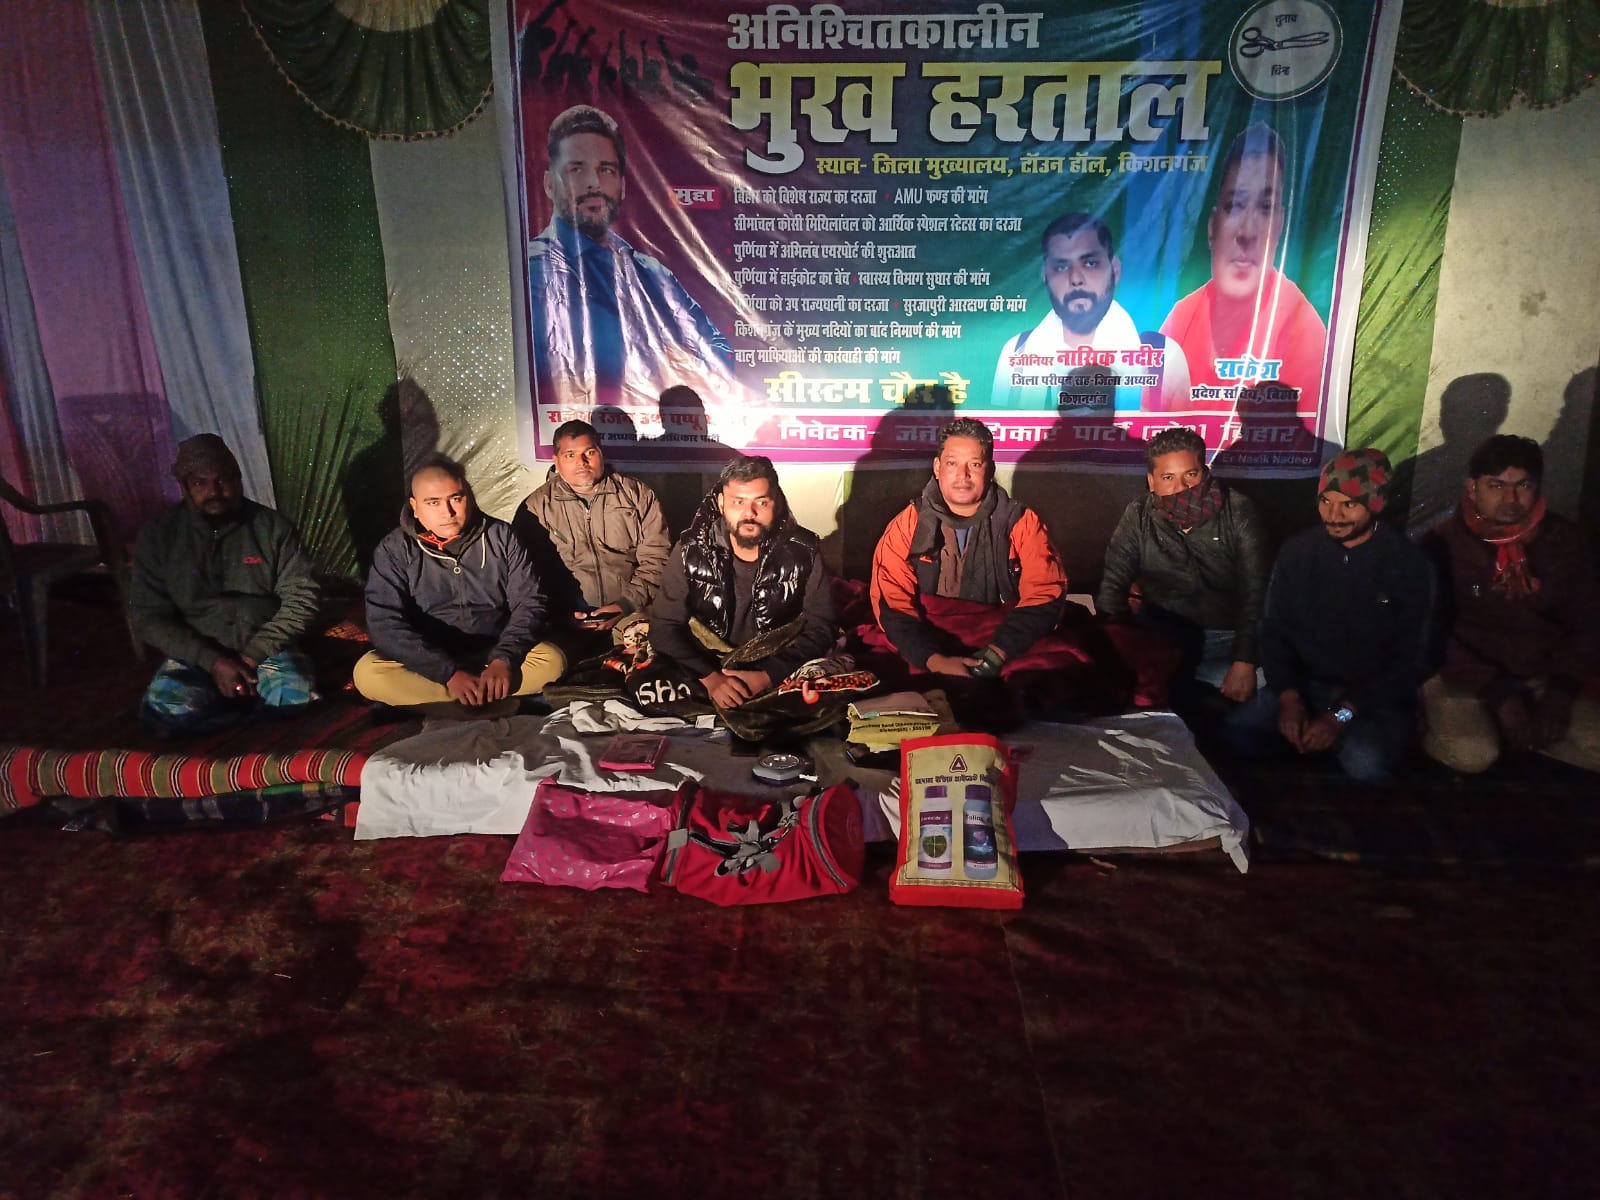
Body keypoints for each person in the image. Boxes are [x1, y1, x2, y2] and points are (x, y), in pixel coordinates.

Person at [1231, 448, 1435, 783]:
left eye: (1348, 505)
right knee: (1237, 736)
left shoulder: (1407, 563)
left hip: (1368, 701)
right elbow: (1274, 629)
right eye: (1326, 502)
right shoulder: (1298, 552)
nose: (1334, 515)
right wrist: (1289, 696)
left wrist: (1340, 715)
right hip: (1304, 687)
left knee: (1366, 763)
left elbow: (1411, 659)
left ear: (1376, 504)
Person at [528, 104, 733, 409]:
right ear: (549, 184)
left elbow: (721, 355)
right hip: (583, 430)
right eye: (576, 170)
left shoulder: (650, 272)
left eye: (606, 170)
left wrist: (680, 368)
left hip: (657, 430)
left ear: (622, 186)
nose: (593, 183)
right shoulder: (534, 274)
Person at [1419, 435, 1600, 774]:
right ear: (1473, 488)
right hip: (1463, 678)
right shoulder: (1442, 544)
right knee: (1473, 753)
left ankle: (1523, 737)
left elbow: (1588, 624)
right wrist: (1499, 693)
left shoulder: (1566, 541)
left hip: (1541, 677)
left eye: (1523, 486)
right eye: (1496, 485)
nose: (1510, 499)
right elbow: (1435, 635)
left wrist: (1560, 694)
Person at [129, 434, 321, 735]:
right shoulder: (159, 535)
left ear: (238, 480)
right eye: (200, 483)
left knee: (294, 697)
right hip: (198, 653)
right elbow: (147, 615)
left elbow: (302, 599)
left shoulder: (272, 528)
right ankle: (238, 708)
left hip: (264, 648)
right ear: (184, 487)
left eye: (223, 480)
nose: (214, 492)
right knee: (161, 712)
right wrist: (214, 661)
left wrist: (253, 654)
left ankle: (236, 707)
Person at [354, 456, 563, 713]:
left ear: (469, 497)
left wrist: (504, 659)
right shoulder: (394, 549)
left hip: (493, 655)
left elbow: (529, 602)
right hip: (430, 663)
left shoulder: (500, 536)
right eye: (433, 502)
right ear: (415, 507)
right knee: (368, 674)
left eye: (456, 498)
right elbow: (384, 622)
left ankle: (440, 705)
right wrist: (448, 673)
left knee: (552, 661)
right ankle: (491, 702)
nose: (448, 512)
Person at [870, 417, 1067, 681]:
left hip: (1003, 640)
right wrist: (935, 661)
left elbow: (1045, 593)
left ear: (990, 469)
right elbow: (893, 603)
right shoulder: (908, 524)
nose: (962, 476)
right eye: (952, 463)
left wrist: (997, 654)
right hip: (928, 638)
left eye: (974, 464)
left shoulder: (1021, 522)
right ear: (937, 467)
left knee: (1053, 673)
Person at [1161, 123, 1328, 419]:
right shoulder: (1180, 319)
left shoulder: (1304, 331)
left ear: (1280, 226)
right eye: (1235, 206)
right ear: (1212, 227)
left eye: (1265, 208)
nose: (1248, 232)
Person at [1097, 426, 1269, 706]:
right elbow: (1113, 584)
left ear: (1205, 472)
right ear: (1152, 481)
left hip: (1226, 639)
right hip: (1161, 638)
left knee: (1263, 685)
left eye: (1190, 474)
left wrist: (1244, 661)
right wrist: (1117, 644)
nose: (1181, 487)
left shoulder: (1238, 510)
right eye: (1168, 477)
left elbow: (1256, 591)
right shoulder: (1139, 514)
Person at [649, 455, 837, 710]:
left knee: (828, 690)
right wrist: (712, 679)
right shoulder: (690, 550)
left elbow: (822, 626)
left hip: (777, 660)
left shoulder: (804, 550)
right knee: (651, 685)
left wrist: (768, 675)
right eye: (738, 502)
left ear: (777, 503)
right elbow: (664, 626)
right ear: (721, 503)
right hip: (706, 664)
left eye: (761, 502)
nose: (749, 513)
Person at [991, 213, 1190, 412]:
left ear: (1115, 270)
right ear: (1045, 276)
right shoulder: (1017, 353)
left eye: (1090, 263)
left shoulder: (1164, 356)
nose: (1076, 278)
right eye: (1061, 267)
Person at [512, 419, 670, 657]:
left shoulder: (637, 496)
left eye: (589, 452)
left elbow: (657, 558)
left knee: (650, 660)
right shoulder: (536, 508)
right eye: (570, 455)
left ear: (601, 453)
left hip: (631, 612)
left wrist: (626, 604)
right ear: (556, 461)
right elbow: (525, 576)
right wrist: (560, 615)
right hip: (564, 621)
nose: (582, 462)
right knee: (549, 668)